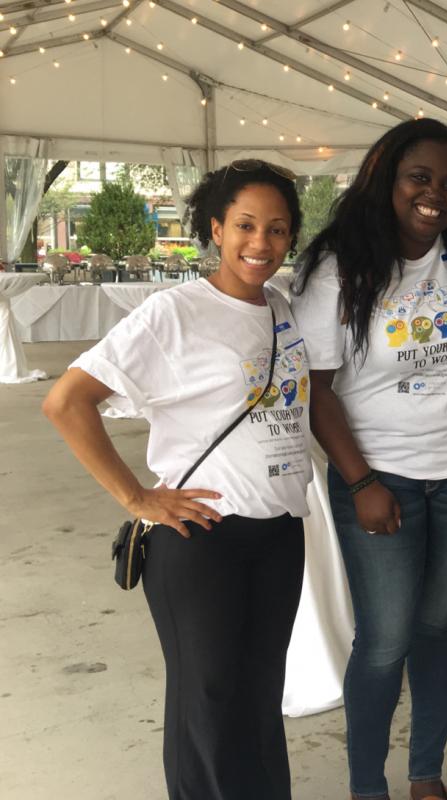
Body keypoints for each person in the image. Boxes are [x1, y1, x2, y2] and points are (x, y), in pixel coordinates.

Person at [43, 161, 310, 799]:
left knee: (259, 693)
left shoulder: (283, 308)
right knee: (208, 701)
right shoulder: (174, 312)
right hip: (201, 537)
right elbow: (66, 402)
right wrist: (136, 497)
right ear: (216, 229)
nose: (260, 243)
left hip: (280, 533)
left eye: (277, 229)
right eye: (245, 225)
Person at [290, 118, 447, 800]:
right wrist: (359, 482)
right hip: (379, 476)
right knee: (385, 639)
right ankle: (366, 786)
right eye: (419, 178)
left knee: (439, 623)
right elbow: (316, 389)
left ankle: (426, 774)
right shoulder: (339, 268)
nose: (435, 195)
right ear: (386, 179)